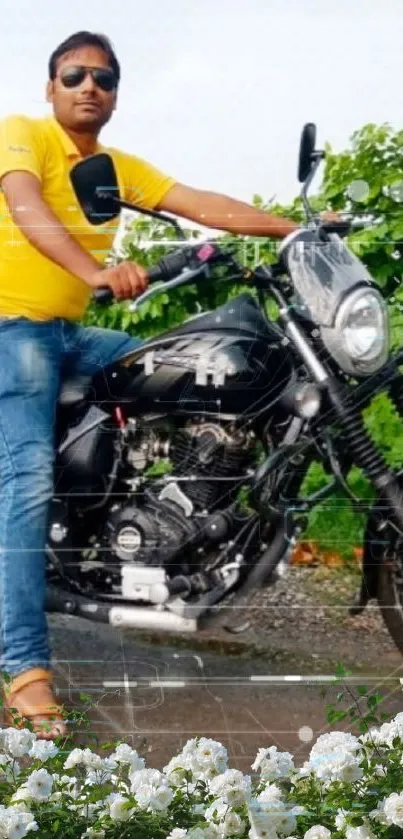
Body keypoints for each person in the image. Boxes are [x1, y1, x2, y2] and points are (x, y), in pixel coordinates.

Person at [0, 30, 304, 739]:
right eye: (73, 74)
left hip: (71, 332)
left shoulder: (112, 165)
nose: (88, 86)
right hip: (14, 329)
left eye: (103, 78)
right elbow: (25, 209)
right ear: (51, 87)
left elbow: (197, 200)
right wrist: (95, 270)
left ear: (114, 94)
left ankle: (141, 526)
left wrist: (297, 229)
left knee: (175, 375)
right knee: (26, 478)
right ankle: (25, 669)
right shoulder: (24, 137)